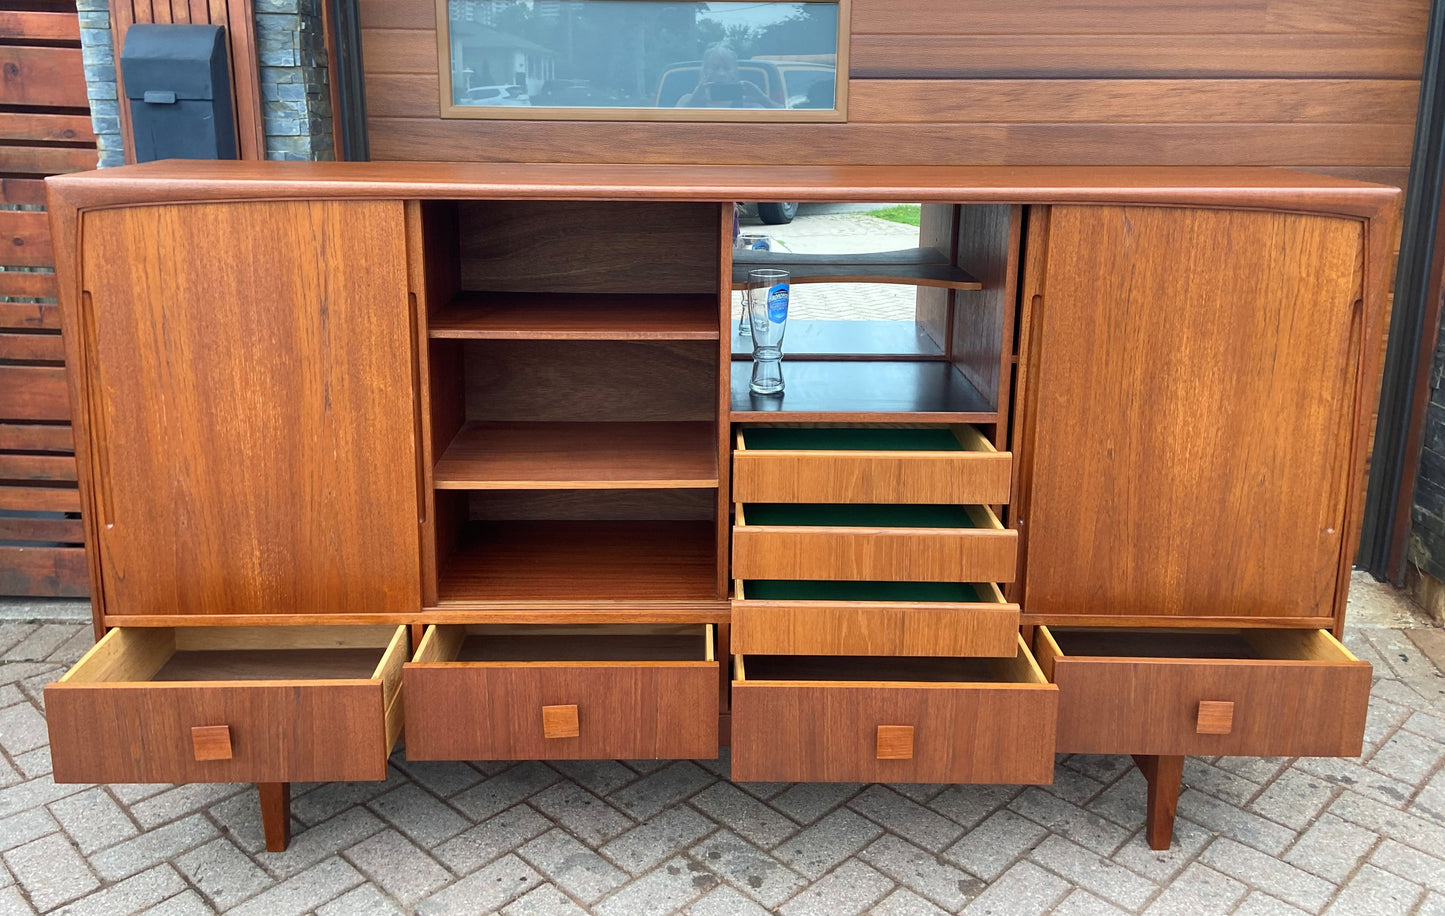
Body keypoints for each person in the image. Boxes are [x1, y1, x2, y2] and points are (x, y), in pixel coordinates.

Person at [676, 44, 778, 108]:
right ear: (705, 70)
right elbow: (673, 127)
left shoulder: (747, 104)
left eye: (726, 68)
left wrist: (763, 99)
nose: (721, 73)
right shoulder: (687, 100)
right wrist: (694, 101)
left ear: (734, 71)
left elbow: (783, 115)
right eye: (715, 68)